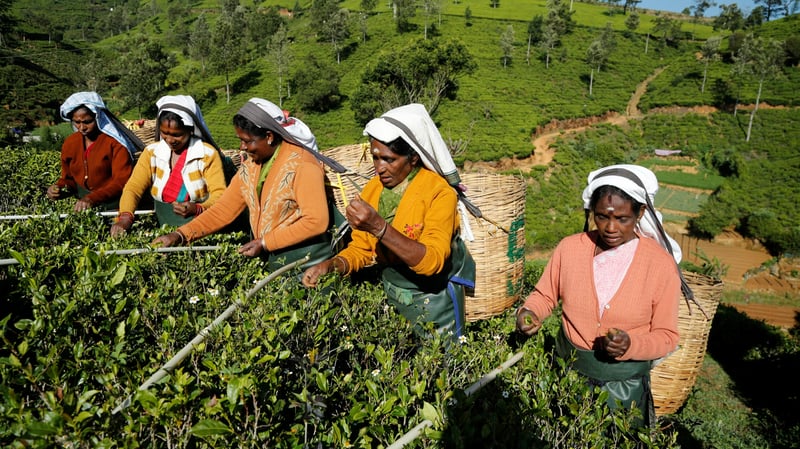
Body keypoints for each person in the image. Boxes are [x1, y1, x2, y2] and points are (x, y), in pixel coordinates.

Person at [516, 164, 682, 428]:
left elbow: (667, 336)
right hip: (567, 378)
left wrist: (631, 345)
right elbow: (545, 295)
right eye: (602, 217)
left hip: (623, 393)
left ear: (640, 213)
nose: (611, 227)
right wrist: (530, 312)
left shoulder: (660, 265)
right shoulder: (570, 249)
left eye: (622, 219)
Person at [302, 103, 476, 341]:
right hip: (394, 298)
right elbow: (361, 248)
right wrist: (332, 265)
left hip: (435, 303)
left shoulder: (438, 192)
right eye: (375, 158)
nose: (379, 168)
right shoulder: (374, 189)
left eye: (389, 159)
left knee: (442, 361)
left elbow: (432, 262)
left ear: (413, 158)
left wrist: (378, 227)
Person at [152, 98, 335, 270]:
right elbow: (223, 210)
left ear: (269, 136)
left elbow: (315, 221)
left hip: (307, 263)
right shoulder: (251, 166)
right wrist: (180, 235)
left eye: (247, 141)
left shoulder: (303, 165)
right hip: (274, 260)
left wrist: (265, 242)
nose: (242, 147)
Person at [111, 95, 226, 236]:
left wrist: (198, 208)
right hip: (163, 226)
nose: (170, 140)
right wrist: (125, 217)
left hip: (200, 228)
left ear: (190, 130)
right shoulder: (152, 153)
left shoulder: (206, 154)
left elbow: (220, 193)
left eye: (177, 135)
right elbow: (133, 188)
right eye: (165, 133)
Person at [47, 92, 139, 211]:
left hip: (115, 206)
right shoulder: (70, 143)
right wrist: (58, 188)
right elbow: (69, 179)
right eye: (77, 122)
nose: (82, 127)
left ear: (98, 118)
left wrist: (93, 198)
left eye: (87, 122)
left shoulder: (114, 143)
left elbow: (121, 181)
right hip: (84, 207)